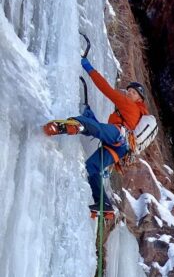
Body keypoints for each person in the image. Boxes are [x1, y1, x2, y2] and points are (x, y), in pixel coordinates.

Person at [43, 57, 149, 213]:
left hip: (118, 136)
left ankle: (70, 125)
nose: (129, 93)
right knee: (92, 166)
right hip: (120, 148)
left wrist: (89, 68)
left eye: (133, 93)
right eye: (129, 90)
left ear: (139, 99)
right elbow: (102, 130)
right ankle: (104, 205)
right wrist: (93, 120)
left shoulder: (130, 105)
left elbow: (106, 89)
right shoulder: (134, 112)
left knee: (89, 125)